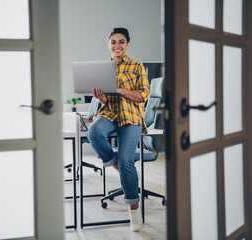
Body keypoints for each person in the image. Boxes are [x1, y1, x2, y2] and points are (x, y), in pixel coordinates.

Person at [87, 27, 150, 232]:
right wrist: (102, 98)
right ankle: (115, 163)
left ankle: (134, 208)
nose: (117, 46)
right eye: (113, 42)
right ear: (109, 45)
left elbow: (143, 95)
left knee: (126, 160)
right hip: (110, 113)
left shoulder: (137, 66)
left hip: (131, 116)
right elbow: (105, 99)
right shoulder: (102, 68)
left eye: (121, 42)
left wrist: (119, 90)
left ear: (127, 44)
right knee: (93, 133)